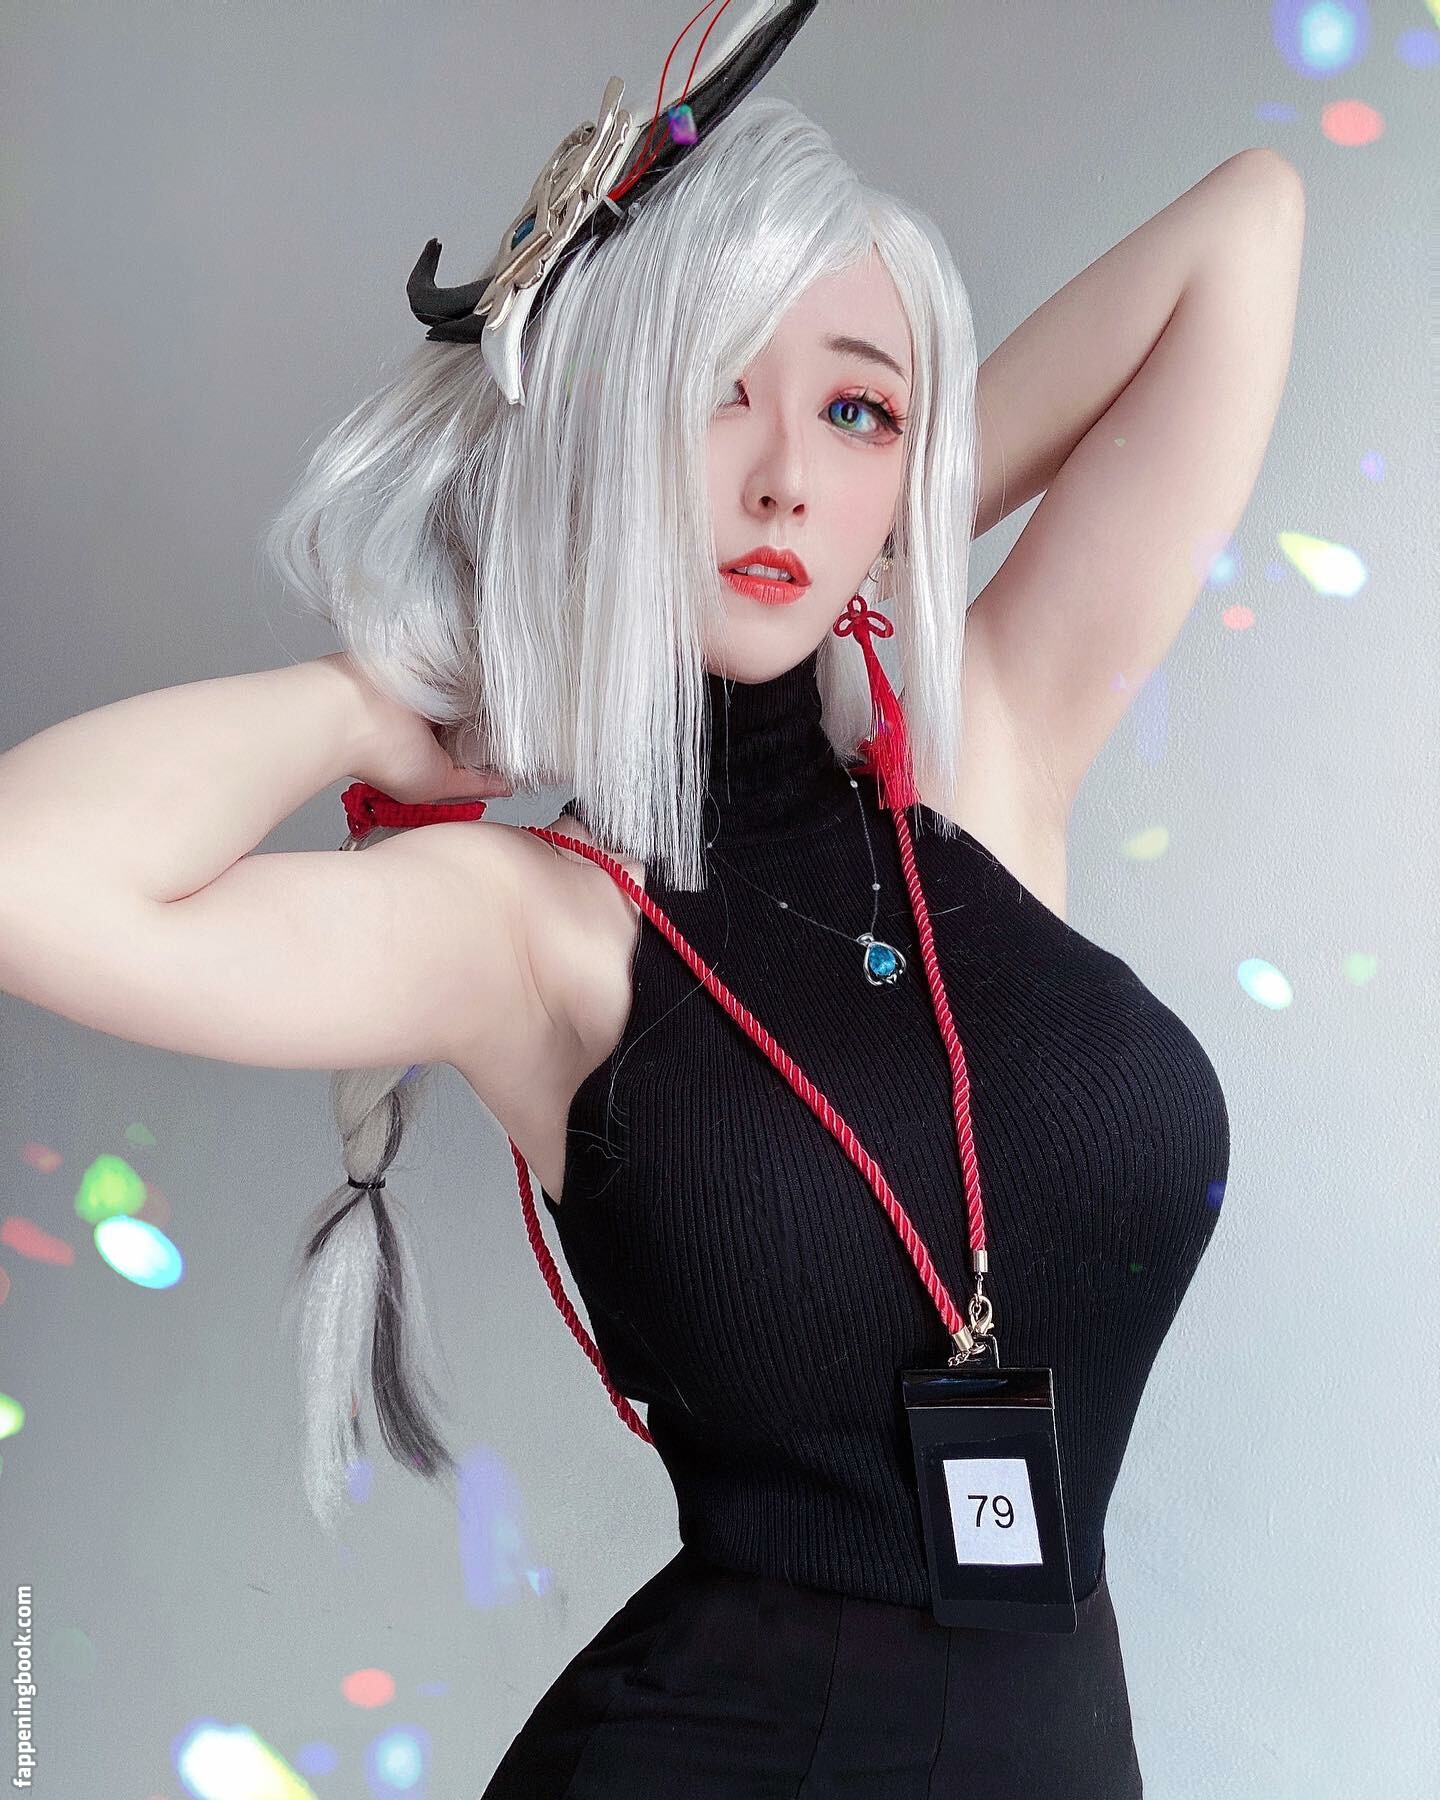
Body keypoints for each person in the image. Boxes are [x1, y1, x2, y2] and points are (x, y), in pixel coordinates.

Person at [0, 1, 1309, 1789]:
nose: (782, 473)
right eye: (713, 390)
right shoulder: (534, 929)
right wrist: (384, 702)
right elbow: (31, 877)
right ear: (605, 426)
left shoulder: (981, 771)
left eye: (857, 407)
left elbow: (1249, 230)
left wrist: (880, 527)